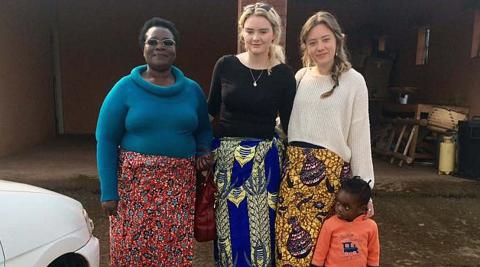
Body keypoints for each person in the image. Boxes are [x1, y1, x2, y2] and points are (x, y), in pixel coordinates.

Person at [95, 17, 212, 266]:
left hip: (179, 190)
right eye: (153, 41)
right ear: (144, 47)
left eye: (167, 42)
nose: (160, 46)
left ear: (175, 49)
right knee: (132, 250)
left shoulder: (192, 90)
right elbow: (105, 139)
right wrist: (108, 191)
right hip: (133, 189)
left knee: (173, 251)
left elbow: (203, 129)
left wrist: (203, 150)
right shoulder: (124, 89)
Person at [275, 11, 375, 266]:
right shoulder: (300, 78)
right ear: (305, 46)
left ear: (338, 40)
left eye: (325, 39)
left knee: (329, 253)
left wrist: (365, 190)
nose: (320, 47)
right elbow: (285, 124)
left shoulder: (354, 81)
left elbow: (360, 134)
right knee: (289, 249)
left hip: (330, 182)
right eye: (312, 42)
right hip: (294, 178)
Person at [207, 2, 296, 266]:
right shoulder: (225, 65)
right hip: (226, 162)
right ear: (242, 33)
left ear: (274, 34)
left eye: (263, 31)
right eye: (250, 31)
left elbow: (291, 123)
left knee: (261, 232)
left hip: (265, 163)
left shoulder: (283, 75)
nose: (255, 37)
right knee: (228, 231)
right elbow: (211, 110)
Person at [311, 177, 380, 267]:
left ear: (362, 209)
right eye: (338, 203)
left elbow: (373, 254)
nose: (339, 209)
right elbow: (320, 253)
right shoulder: (329, 224)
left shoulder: (371, 226)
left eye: (346, 207)